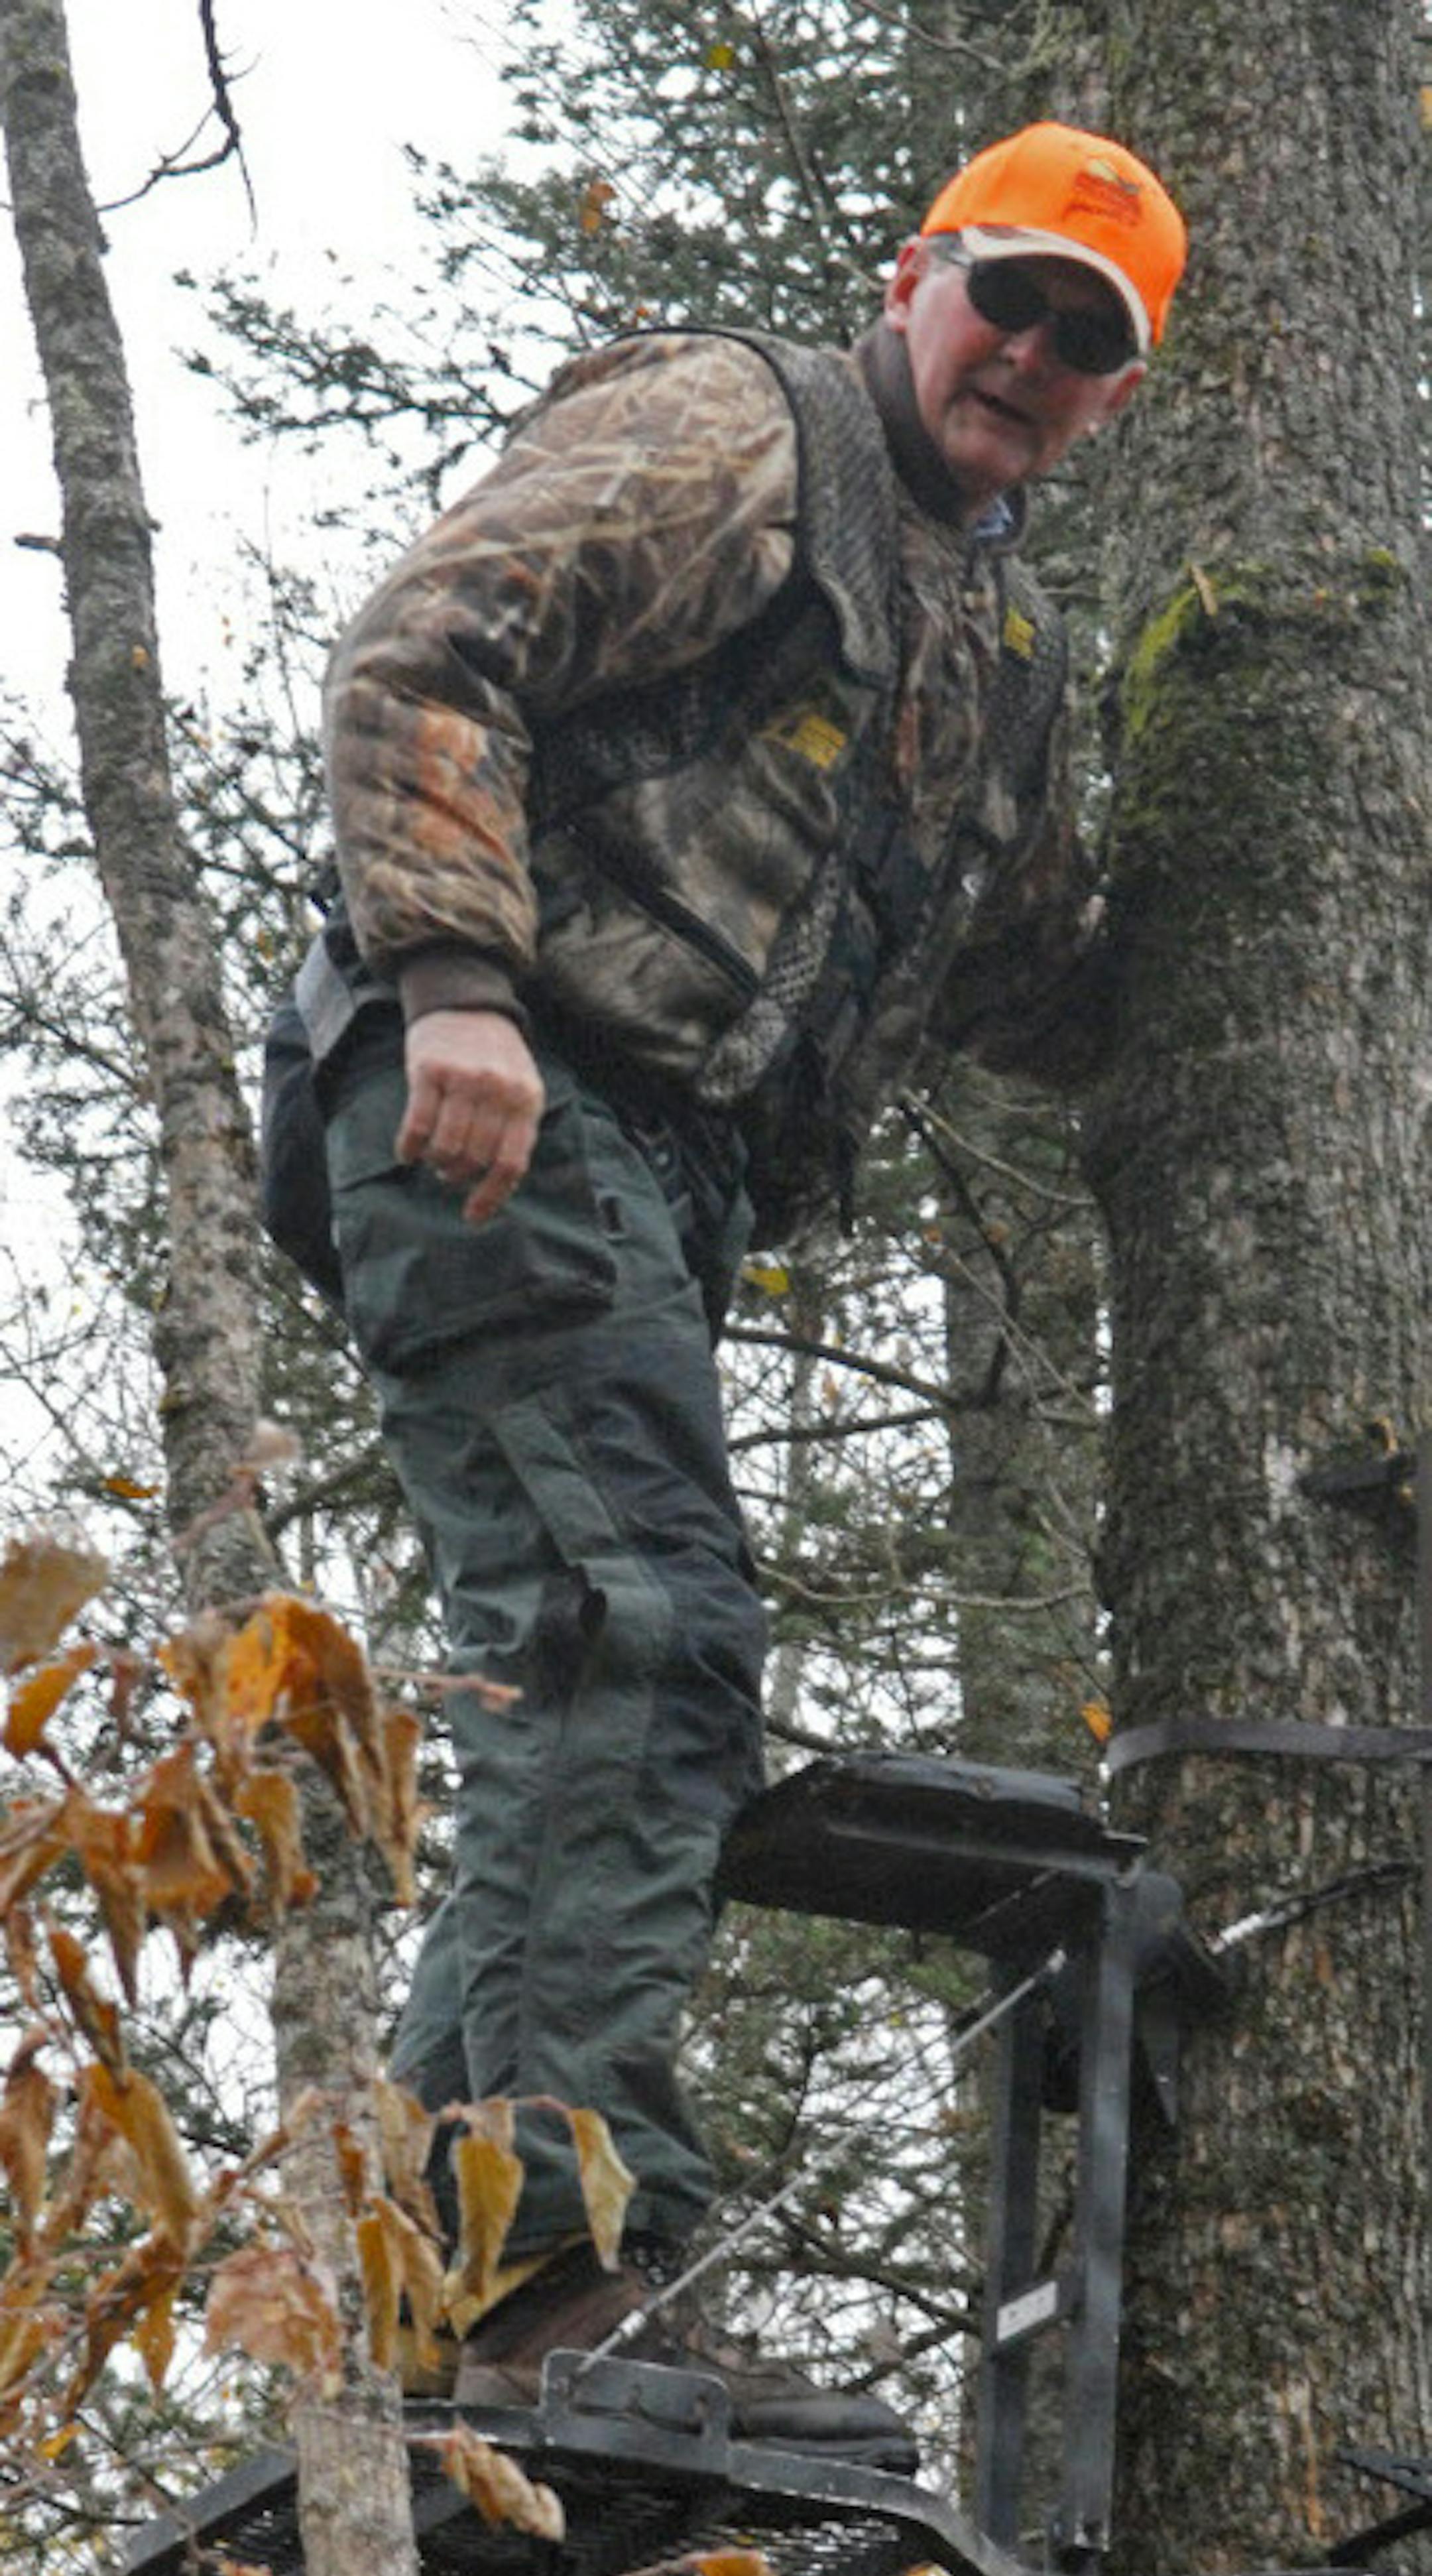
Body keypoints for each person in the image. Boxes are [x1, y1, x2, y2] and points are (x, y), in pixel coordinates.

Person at [294, 118, 1186, 2459]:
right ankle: (571, 2289)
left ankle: (431, 2314)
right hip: (507, 1090)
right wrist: (458, 982)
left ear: (1114, 399)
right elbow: (430, 642)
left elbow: (1031, 974)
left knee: (596, 1661)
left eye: (1089, 343)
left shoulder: (993, 642)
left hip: (651, 1180)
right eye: (1010, 295)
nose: (1031, 353)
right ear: (920, 277)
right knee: (643, 1639)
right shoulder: (739, 434)